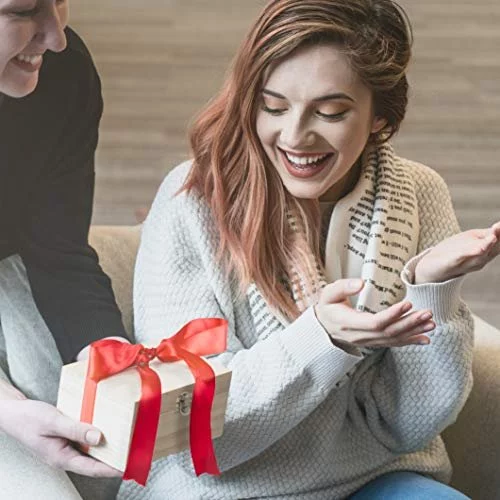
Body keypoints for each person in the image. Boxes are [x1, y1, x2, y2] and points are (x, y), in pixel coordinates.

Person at [120, 0, 500, 499]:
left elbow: (408, 426)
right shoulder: (193, 202)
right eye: (274, 107)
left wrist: (431, 290)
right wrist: (322, 340)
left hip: (375, 478)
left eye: (331, 112)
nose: (296, 136)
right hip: (228, 488)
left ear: (380, 116)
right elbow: (189, 427)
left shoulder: (417, 193)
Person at [0, 0, 129, 498]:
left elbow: (59, 251)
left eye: (59, 1)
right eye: (26, 11)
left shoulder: (66, 73)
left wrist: (113, 358)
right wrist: (9, 409)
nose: (56, 35)